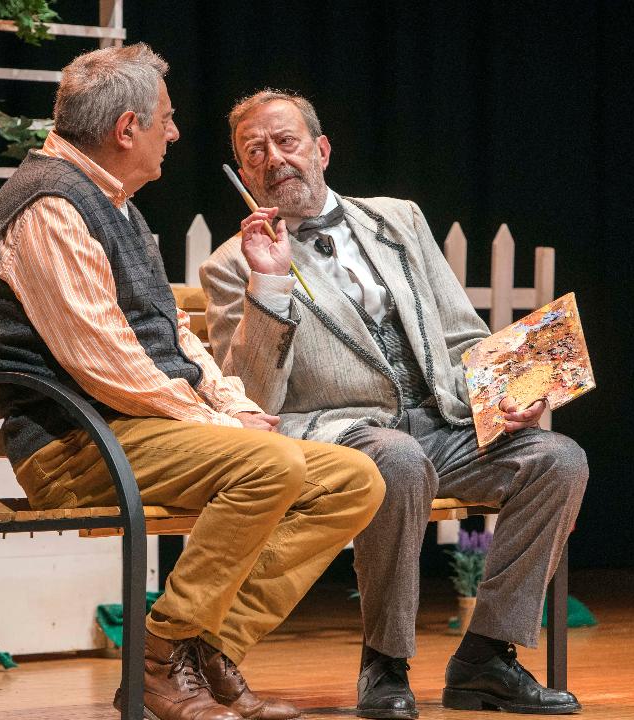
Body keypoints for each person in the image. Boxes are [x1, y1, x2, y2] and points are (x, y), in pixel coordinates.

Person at [0, 51, 384, 720]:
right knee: (270, 463)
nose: (174, 133)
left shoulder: (116, 206)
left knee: (354, 479)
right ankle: (158, 658)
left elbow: (172, 339)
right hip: (78, 446)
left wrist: (233, 404)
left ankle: (205, 651)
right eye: (165, 119)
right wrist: (221, 426)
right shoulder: (49, 206)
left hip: (140, 431)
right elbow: (103, 360)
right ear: (127, 128)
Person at [200, 90, 589, 717]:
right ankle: (384, 664)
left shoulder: (399, 219)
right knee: (398, 459)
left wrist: (506, 395)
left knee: (558, 460)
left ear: (322, 150)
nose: (273, 159)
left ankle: (486, 659)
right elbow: (252, 398)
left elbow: (459, 334)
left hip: (439, 421)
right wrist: (269, 282)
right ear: (243, 174)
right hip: (342, 433)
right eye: (254, 152)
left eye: (286, 142)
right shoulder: (230, 266)